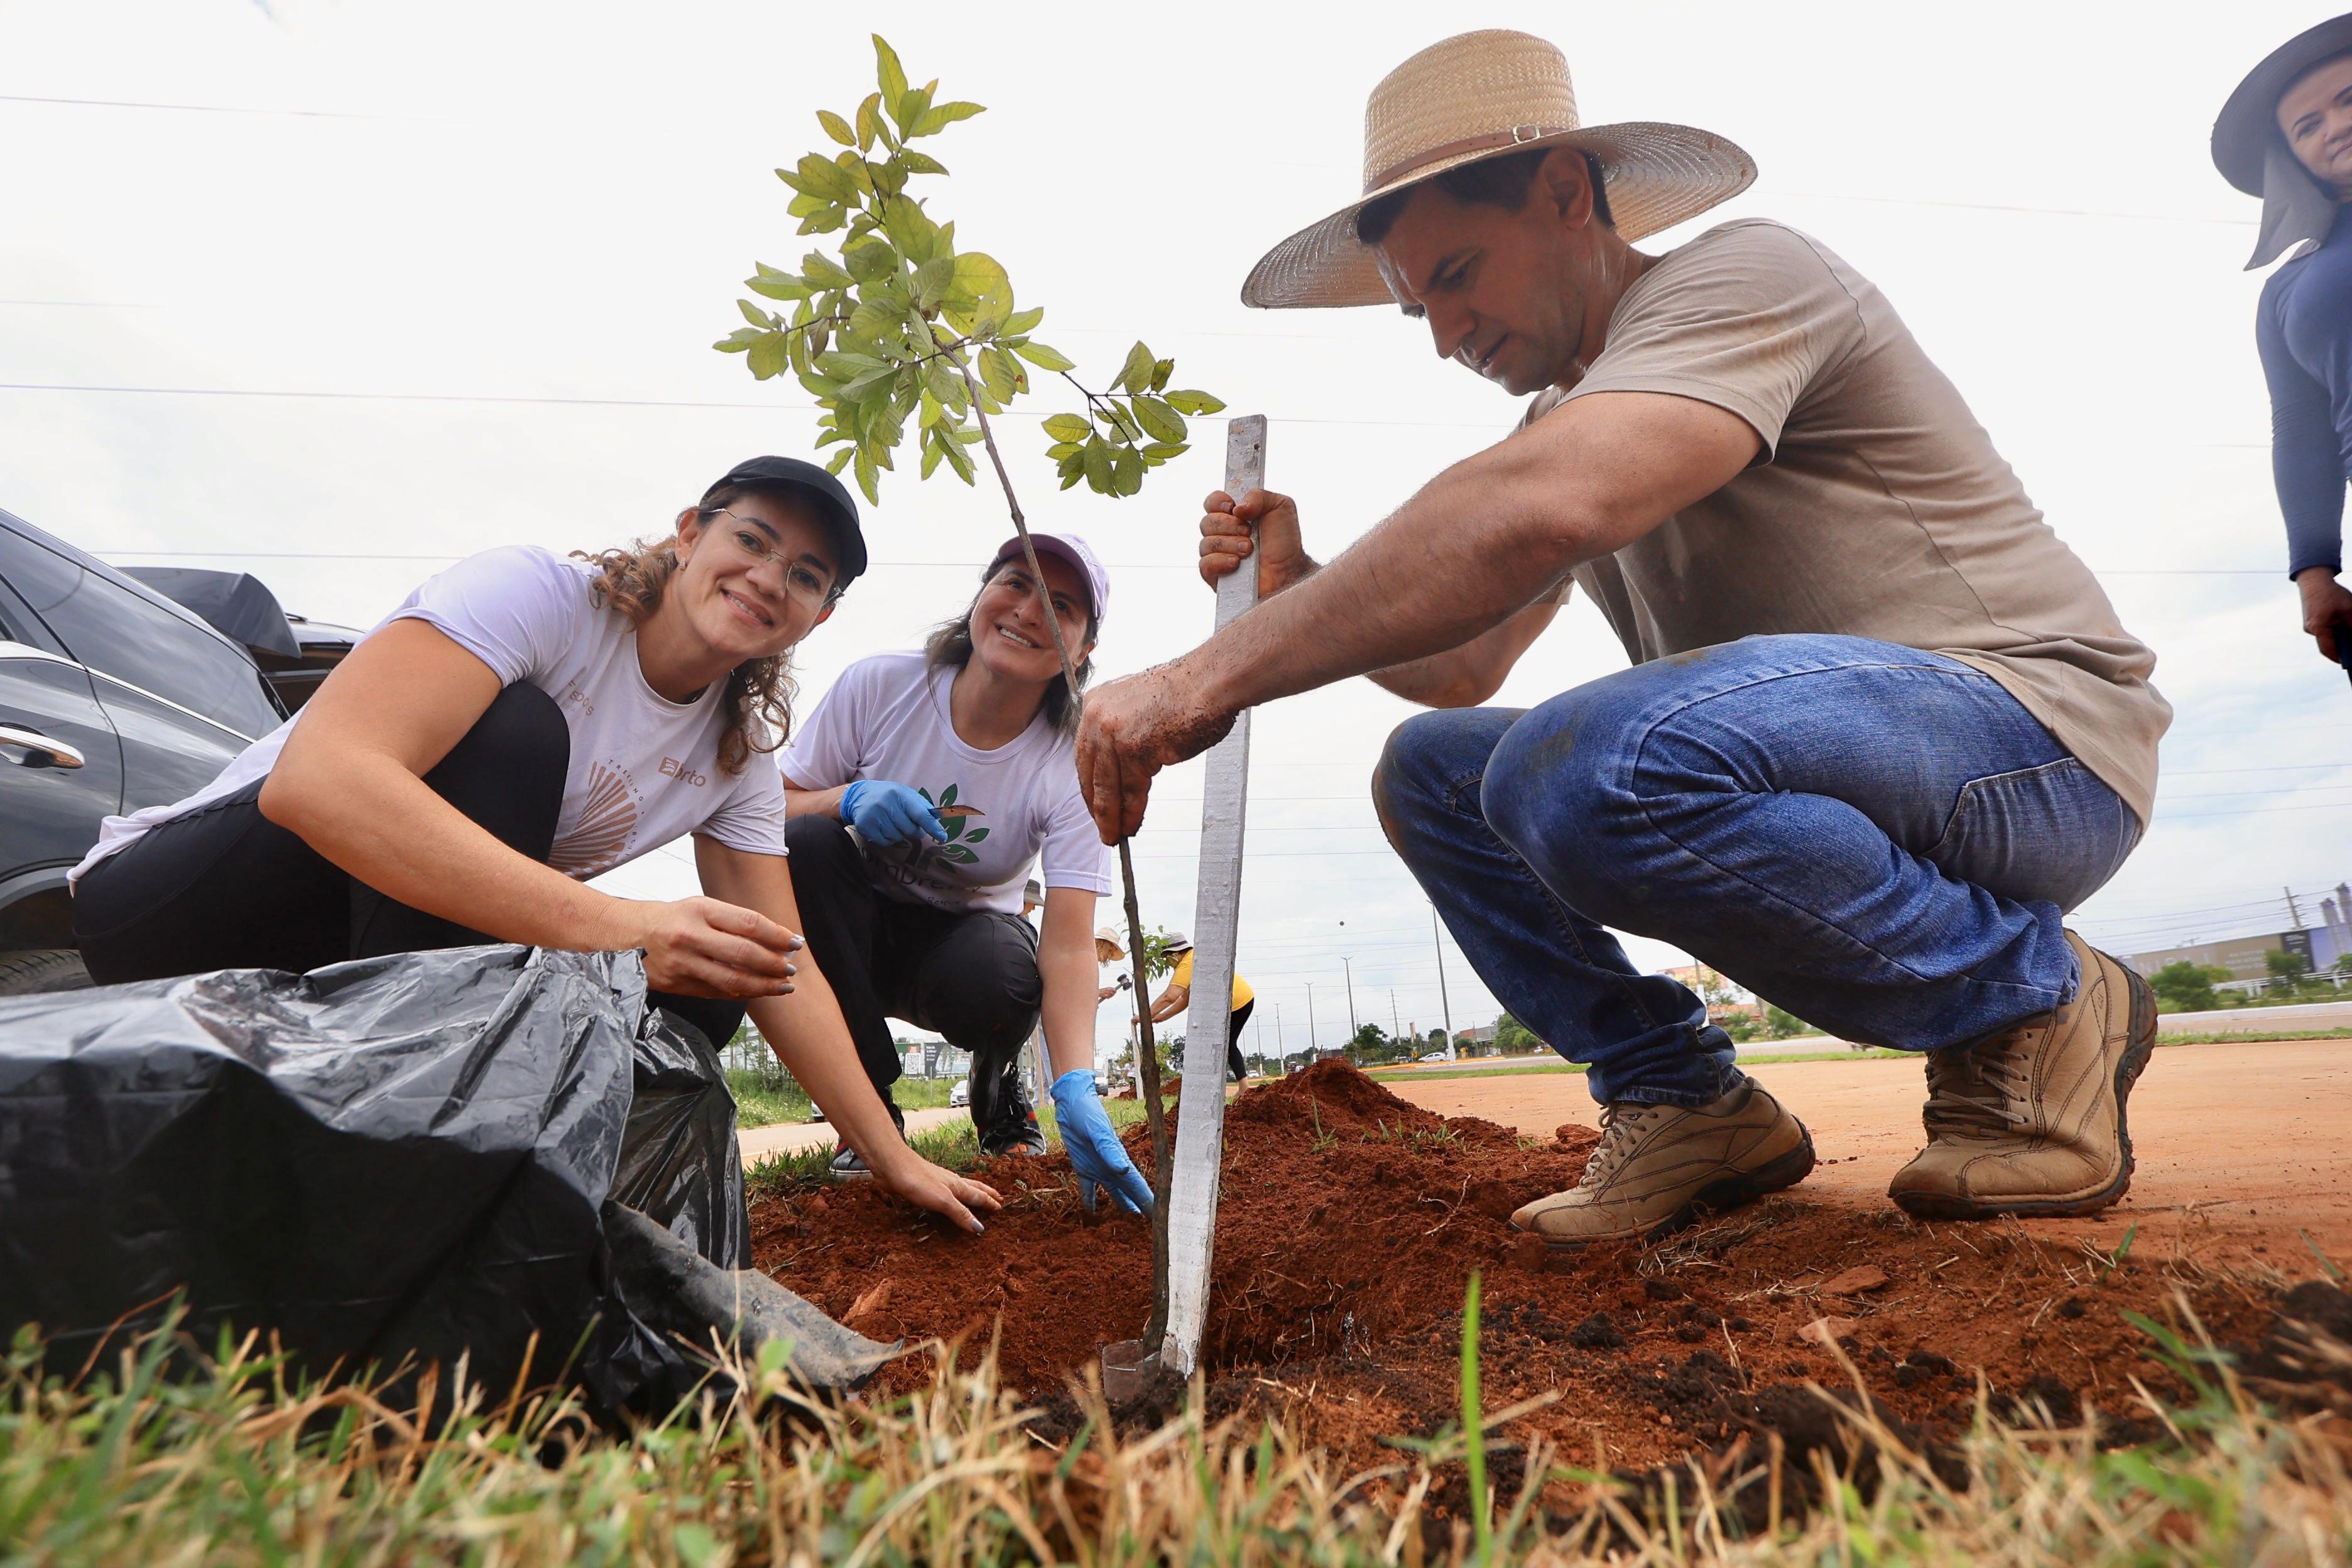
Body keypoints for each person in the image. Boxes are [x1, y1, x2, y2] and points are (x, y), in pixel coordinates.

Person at [1077, 30, 2170, 1244]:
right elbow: (1457, 671)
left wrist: (1199, 679)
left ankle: (2032, 997)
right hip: (1847, 770)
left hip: (2033, 744)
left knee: (1588, 764)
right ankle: (1680, 1095)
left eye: (1455, 273)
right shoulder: (1570, 416)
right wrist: (1294, 591)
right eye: (1415, 305)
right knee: (1438, 771)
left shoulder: (1745, 279)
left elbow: (1539, 504)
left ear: (1562, 193)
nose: (1443, 333)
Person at [67, 456, 999, 1234]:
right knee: (517, 733)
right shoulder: (544, 599)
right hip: (173, 912)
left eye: (805, 575)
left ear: (819, 615)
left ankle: (405, 1176)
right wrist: (621, 923)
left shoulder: (736, 755)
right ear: (690, 534)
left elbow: (780, 970)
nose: (768, 578)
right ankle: (400, 1177)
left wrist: (891, 1154)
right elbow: (317, 782)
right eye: (752, 540)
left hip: (343, 947)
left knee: (710, 973)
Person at [777, 534, 1153, 1214]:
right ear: (982, 595)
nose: (1030, 610)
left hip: (962, 946)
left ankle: (1000, 1077)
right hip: (849, 928)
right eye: (1015, 582)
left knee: (1004, 978)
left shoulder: (1071, 762)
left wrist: (1076, 1081)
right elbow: (766, 808)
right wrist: (847, 799)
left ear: (1084, 650)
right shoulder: (882, 685)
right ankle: (865, 1115)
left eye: (1061, 605)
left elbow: (1068, 942)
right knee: (805, 842)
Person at [2214, 14, 2352, 667]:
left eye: (2348, 99)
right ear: (2292, 158)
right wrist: (2313, 572)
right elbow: (2301, 431)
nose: (2337, 126)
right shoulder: (2288, 290)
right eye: (2309, 126)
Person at [1140, 930, 1255, 1081]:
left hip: (1235, 1003)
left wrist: (1145, 1016)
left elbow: (1170, 997)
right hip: (1245, 998)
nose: (1166, 961)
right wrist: (1162, 1016)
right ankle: (1241, 1085)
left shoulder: (1188, 962)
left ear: (1175, 953)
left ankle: (1241, 1087)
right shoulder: (1196, 958)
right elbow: (1186, 998)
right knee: (1228, 1045)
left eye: (1166, 956)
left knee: (1224, 1045)